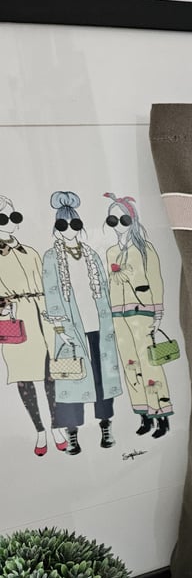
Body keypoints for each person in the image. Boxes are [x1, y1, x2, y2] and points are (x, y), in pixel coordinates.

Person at [42, 191, 122, 455]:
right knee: (71, 379)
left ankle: (106, 426)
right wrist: (60, 329)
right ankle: (72, 433)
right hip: (71, 330)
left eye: (74, 224)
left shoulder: (91, 254)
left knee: (102, 378)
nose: (69, 230)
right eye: (62, 224)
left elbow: (105, 291)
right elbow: (52, 294)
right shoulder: (51, 258)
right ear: (56, 227)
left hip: (97, 326)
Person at [0, 194, 66, 456]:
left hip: (43, 317)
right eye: (4, 218)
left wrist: (55, 314)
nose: (11, 222)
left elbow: (49, 285)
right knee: (24, 377)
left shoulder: (31, 252)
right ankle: (39, 431)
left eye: (14, 216)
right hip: (15, 320)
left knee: (51, 375)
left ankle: (57, 426)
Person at [103, 192, 173, 438]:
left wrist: (158, 312)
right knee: (130, 364)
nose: (118, 225)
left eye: (123, 220)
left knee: (150, 364)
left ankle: (161, 416)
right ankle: (144, 416)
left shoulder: (144, 249)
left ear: (132, 221)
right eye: (113, 221)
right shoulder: (111, 252)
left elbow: (156, 280)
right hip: (118, 316)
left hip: (142, 313)